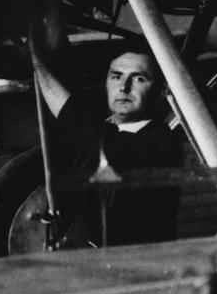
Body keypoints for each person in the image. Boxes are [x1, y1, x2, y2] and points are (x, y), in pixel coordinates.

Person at [28, 32, 183, 248]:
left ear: (162, 90)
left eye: (139, 78)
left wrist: (35, 56)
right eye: (116, 76)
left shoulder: (160, 143)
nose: (124, 87)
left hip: (139, 268)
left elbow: (76, 118)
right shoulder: (107, 129)